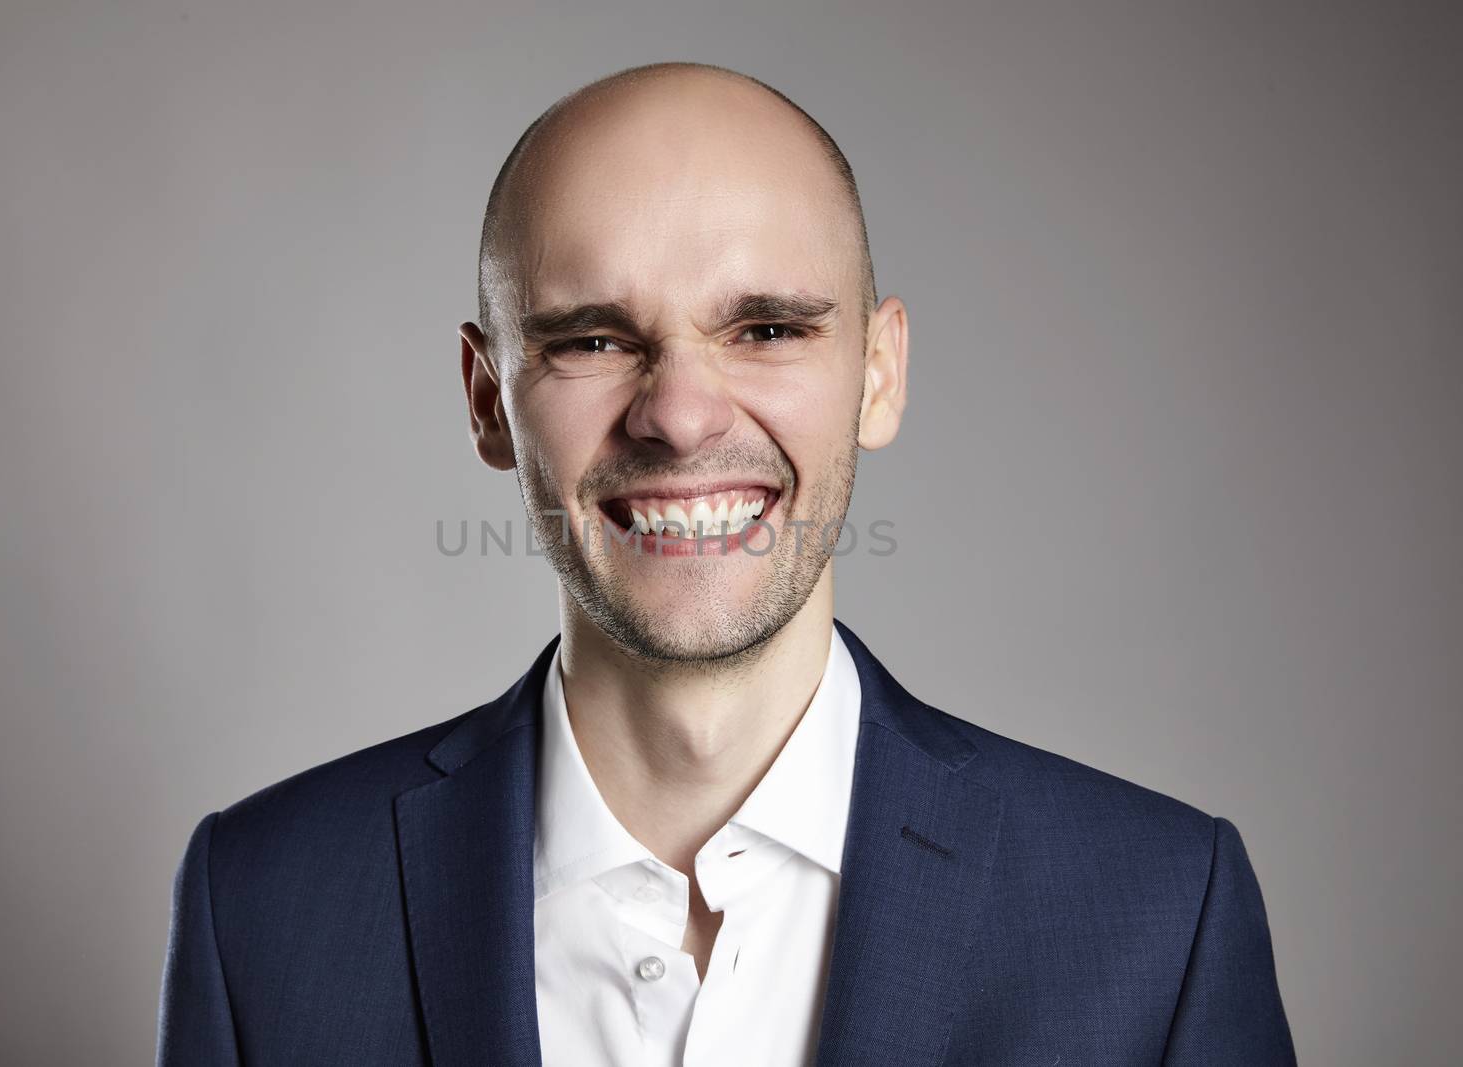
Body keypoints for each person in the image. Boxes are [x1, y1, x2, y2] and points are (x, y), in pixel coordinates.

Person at [157, 61, 1296, 1066]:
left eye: (765, 329)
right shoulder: (260, 906)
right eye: (594, 339)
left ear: (879, 372)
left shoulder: (1155, 913)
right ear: (486, 399)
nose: (682, 416)